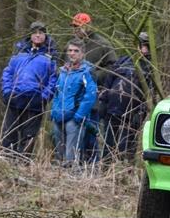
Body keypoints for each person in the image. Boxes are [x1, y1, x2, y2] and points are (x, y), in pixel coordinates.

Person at [0, 21, 58, 155]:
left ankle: (23, 161)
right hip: (15, 96)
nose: (38, 36)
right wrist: (8, 91)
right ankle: (6, 158)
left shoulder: (51, 55)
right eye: (35, 33)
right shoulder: (20, 51)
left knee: (29, 135)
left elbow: (53, 79)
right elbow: (8, 72)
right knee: (9, 131)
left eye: (41, 33)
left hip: (35, 99)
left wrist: (44, 97)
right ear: (30, 35)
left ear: (45, 35)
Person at [70, 12, 117, 163]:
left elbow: (113, 67)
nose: (76, 30)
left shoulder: (103, 44)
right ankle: (73, 163)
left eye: (78, 26)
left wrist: (95, 76)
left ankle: (92, 166)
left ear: (88, 26)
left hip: (94, 97)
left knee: (91, 133)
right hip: (74, 97)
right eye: (74, 27)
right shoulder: (73, 45)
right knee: (73, 132)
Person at [100, 32, 154, 160]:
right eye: (140, 45)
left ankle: (122, 172)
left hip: (131, 115)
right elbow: (109, 81)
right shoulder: (123, 61)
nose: (142, 49)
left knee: (124, 147)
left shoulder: (149, 68)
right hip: (112, 109)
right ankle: (105, 170)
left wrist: (140, 112)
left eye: (145, 46)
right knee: (108, 144)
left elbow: (148, 95)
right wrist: (103, 101)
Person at [50, 39, 97, 166]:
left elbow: (90, 95)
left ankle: (72, 178)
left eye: (76, 51)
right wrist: (53, 112)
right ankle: (58, 179)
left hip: (74, 118)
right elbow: (56, 93)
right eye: (70, 50)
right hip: (58, 116)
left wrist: (79, 116)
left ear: (82, 54)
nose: (72, 53)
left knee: (71, 157)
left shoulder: (87, 72)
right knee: (59, 155)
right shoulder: (62, 71)